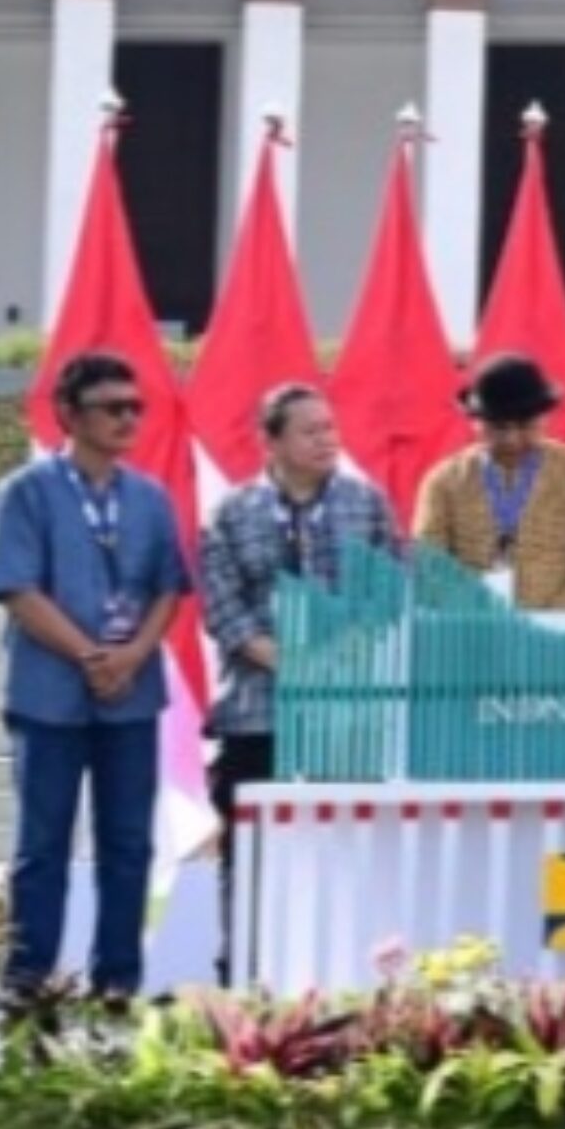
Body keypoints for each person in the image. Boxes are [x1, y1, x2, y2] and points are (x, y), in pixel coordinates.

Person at [0, 352, 193, 1005]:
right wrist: (89, 655)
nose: (128, 419)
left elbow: (170, 588)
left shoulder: (149, 496)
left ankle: (117, 986)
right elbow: (17, 589)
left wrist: (132, 656)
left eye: (135, 407)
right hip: (50, 697)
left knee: (128, 845)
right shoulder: (27, 491)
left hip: (130, 697)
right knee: (43, 845)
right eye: (112, 408)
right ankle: (28, 986)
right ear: (69, 416)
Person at [193, 381, 401, 986]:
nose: (326, 440)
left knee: (352, 848)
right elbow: (223, 609)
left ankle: (353, 979)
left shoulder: (366, 503)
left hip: (347, 710)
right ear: (272, 441)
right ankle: (243, 982)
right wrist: (286, 660)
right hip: (258, 710)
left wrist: (338, 657)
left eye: (330, 428)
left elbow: (392, 592)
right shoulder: (231, 512)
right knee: (249, 854)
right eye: (310, 431)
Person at [413, 352, 565, 608]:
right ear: (476, 422)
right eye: (498, 428)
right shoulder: (444, 482)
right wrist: (472, 611)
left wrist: (559, 616)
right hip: (470, 622)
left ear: (544, 417)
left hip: (561, 624)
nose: (512, 439)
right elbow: (431, 560)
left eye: (525, 426)